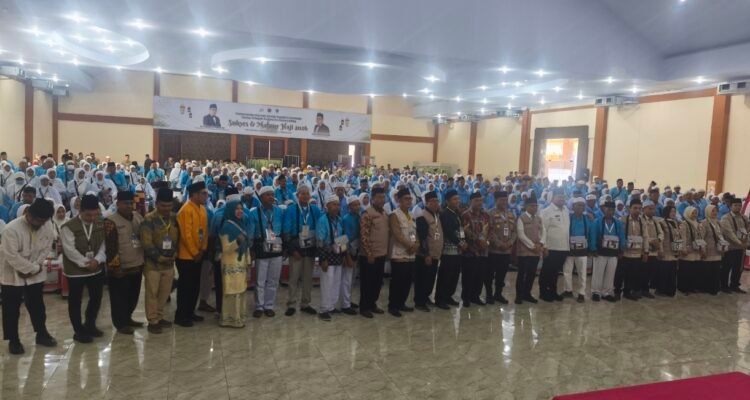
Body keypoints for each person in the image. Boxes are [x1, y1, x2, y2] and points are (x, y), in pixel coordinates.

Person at [1, 199, 58, 355]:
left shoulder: (46, 225)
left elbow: (46, 247)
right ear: (28, 214)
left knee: (37, 305)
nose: (41, 224)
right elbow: (11, 255)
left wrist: (35, 268)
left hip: (35, 272)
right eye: (39, 220)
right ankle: (13, 340)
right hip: (12, 273)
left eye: (44, 221)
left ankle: (42, 334)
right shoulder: (11, 229)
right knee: (11, 309)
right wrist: (28, 268)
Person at [61, 194, 106, 343]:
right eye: (88, 215)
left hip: (96, 267)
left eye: (95, 214)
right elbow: (69, 250)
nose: (92, 218)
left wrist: (97, 260)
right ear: (80, 211)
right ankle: (79, 330)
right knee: (75, 301)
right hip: (76, 271)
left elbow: (104, 244)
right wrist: (86, 263)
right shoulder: (68, 226)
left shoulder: (101, 223)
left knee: (96, 298)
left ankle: (90, 325)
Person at [103, 191, 145, 335]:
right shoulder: (110, 221)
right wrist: (115, 268)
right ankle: (120, 324)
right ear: (118, 204)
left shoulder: (138, 217)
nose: (128, 206)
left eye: (131, 203)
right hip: (120, 268)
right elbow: (110, 248)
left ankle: (128, 318)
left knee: (133, 296)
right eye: (125, 203)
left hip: (137, 264)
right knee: (119, 298)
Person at [139, 187, 179, 334]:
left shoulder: (174, 218)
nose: (166, 208)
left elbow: (178, 238)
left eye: (169, 206)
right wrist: (159, 257)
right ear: (156, 204)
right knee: (152, 293)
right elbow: (146, 243)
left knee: (164, 293)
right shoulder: (149, 219)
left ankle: (160, 316)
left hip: (169, 263)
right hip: (153, 265)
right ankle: (152, 321)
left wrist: (175, 253)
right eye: (163, 205)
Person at [282, 185, 321, 316]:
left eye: (307, 194)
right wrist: (292, 250)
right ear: (297, 195)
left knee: (308, 278)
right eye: (302, 194)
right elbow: (286, 231)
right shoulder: (291, 210)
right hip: (296, 248)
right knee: (293, 278)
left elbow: (320, 226)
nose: (305, 196)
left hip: (310, 248)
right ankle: (291, 304)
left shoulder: (315, 210)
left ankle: (305, 304)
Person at [175, 181, 209, 327]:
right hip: (186, 256)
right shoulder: (186, 210)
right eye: (203, 193)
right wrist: (195, 252)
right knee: (185, 287)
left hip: (198, 254)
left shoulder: (202, 209)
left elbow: (205, 231)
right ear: (194, 194)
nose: (206, 196)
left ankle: (190, 312)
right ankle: (181, 316)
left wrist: (203, 249)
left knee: (195, 286)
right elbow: (186, 235)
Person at [250, 186, 284, 318]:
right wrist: (251, 249)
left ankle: (269, 306)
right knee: (260, 279)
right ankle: (259, 306)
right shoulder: (254, 212)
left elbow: (283, 229)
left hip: (276, 246)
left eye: (272, 194)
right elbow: (251, 233)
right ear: (261, 197)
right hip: (261, 246)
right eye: (268, 195)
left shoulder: (279, 211)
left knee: (273, 279)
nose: (271, 197)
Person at [316, 194, 350, 321]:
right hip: (327, 256)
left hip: (338, 254)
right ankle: (323, 309)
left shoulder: (339, 220)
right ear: (327, 206)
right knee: (327, 283)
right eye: (333, 205)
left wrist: (344, 255)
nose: (336, 207)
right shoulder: (322, 220)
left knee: (336, 282)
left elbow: (342, 238)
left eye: (338, 205)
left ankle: (331, 306)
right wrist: (323, 259)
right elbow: (320, 242)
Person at [218, 198, 250, 327]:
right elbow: (225, 248)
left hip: (241, 262)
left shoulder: (241, 224)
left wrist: (248, 260)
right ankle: (229, 319)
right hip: (230, 262)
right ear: (231, 210)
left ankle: (239, 317)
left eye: (241, 208)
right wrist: (237, 241)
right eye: (236, 209)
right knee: (231, 290)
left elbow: (246, 245)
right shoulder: (226, 226)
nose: (240, 211)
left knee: (240, 289)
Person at [358, 187, 390, 318]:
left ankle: (372, 304)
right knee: (367, 282)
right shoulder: (367, 213)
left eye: (383, 197)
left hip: (381, 253)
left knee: (377, 282)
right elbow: (364, 235)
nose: (381, 200)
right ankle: (364, 307)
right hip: (369, 255)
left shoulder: (384, 213)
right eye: (379, 197)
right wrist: (369, 253)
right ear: (373, 199)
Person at [388, 188, 419, 317]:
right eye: (406, 199)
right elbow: (397, 234)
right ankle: (393, 306)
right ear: (399, 200)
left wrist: (415, 244)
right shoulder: (394, 215)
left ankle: (401, 303)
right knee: (397, 281)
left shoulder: (411, 215)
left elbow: (413, 233)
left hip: (410, 254)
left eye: (410, 199)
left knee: (407, 281)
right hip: (399, 254)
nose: (409, 201)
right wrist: (411, 245)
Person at [435, 190, 465, 309]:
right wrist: (460, 243)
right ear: (448, 201)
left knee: (454, 275)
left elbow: (461, 229)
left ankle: (448, 296)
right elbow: (448, 232)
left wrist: (463, 241)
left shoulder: (456, 213)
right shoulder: (445, 214)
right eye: (454, 199)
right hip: (448, 250)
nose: (457, 201)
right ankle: (440, 299)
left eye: (458, 199)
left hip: (458, 250)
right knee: (446, 275)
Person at [414, 191, 443, 311]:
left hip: (435, 254)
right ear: (426, 202)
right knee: (422, 279)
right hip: (425, 255)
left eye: (437, 201)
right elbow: (422, 237)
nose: (436, 203)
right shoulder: (422, 216)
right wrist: (426, 254)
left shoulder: (436, 215)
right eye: (432, 201)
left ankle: (425, 298)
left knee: (430, 279)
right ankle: (419, 302)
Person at [539, 190, 569, 302]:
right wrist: (544, 247)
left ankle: (553, 291)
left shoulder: (566, 210)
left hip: (563, 247)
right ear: (552, 198)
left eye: (563, 197)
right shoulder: (546, 211)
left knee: (555, 272)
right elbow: (543, 230)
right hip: (551, 248)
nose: (561, 199)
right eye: (559, 196)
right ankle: (543, 292)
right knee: (546, 271)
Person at [590, 201, 624, 302]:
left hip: (613, 252)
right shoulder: (597, 222)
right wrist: (593, 249)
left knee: (611, 273)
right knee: (598, 272)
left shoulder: (617, 223)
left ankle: (607, 292)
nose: (610, 212)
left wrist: (621, 249)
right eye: (608, 209)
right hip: (600, 252)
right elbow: (593, 235)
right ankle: (596, 292)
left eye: (613, 210)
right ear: (604, 209)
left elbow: (621, 236)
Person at [617, 199, 650, 301]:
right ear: (629, 208)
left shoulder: (642, 221)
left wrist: (646, 251)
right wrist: (619, 250)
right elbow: (619, 235)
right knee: (620, 273)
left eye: (639, 208)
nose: (637, 210)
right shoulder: (622, 219)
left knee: (633, 274)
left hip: (637, 253)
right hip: (625, 252)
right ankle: (617, 291)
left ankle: (628, 292)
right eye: (635, 208)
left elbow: (645, 237)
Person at [562, 198, 594, 303]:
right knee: (567, 271)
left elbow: (590, 234)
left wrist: (590, 249)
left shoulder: (587, 219)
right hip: (569, 249)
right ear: (573, 206)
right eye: (578, 205)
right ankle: (568, 290)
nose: (580, 207)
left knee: (582, 273)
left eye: (582, 205)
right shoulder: (568, 218)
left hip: (582, 250)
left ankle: (581, 293)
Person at [486, 191, 515, 305]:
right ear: (496, 200)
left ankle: (498, 294)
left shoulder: (511, 214)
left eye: (505, 200)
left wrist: (510, 242)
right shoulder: (490, 213)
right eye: (501, 200)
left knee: (502, 274)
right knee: (489, 274)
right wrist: (499, 244)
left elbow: (514, 232)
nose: (504, 202)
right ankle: (489, 295)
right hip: (493, 250)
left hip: (506, 250)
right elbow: (489, 231)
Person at [461, 191, 490, 306]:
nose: (479, 202)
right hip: (470, 251)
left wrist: (486, 242)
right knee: (468, 276)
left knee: (480, 276)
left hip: (483, 251)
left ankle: (476, 297)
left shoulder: (486, 215)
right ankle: (466, 298)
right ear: (470, 202)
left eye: (480, 200)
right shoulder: (465, 215)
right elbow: (464, 232)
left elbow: (490, 231)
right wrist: (478, 241)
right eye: (476, 200)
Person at [515, 195, 545, 304]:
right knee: (522, 274)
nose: (534, 208)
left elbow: (543, 232)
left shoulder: (539, 218)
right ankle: (519, 296)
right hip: (524, 252)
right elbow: (521, 235)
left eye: (536, 206)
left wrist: (541, 244)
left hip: (536, 251)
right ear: (526, 206)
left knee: (532, 274)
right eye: (532, 206)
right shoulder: (521, 218)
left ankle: (527, 294)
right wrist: (533, 246)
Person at [720, 198, 749, 293]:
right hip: (730, 247)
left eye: (739, 205)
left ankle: (734, 285)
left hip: (741, 248)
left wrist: (747, 243)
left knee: (738, 268)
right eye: (735, 205)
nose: (738, 207)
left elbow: (747, 231)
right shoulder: (725, 218)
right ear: (730, 206)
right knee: (726, 267)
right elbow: (729, 233)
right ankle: (724, 286)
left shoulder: (744, 217)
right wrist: (740, 243)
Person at [657, 206, 682, 297]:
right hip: (665, 250)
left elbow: (678, 236)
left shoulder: (675, 222)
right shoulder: (661, 222)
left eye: (674, 211)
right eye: (671, 211)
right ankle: (662, 290)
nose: (673, 213)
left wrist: (679, 248)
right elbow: (660, 238)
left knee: (672, 272)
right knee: (664, 272)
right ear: (666, 212)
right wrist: (660, 250)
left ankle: (670, 291)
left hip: (674, 250)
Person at [702, 204, 727, 295]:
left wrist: (723, 247)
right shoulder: (704, 223)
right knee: (708, 270)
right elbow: (701, 238)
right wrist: (703, 250)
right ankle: (707, 288)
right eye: (713, 211)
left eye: (716, 211)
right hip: (709, 250)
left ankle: (715, 288)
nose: (715, 213)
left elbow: (721, 235)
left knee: (716, 270)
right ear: (708, 211)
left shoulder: (718, 222)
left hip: (718, 250)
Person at [679, 206, 704, 295]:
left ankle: (692, 287)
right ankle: (684, 288)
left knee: (694, 270)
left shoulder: (698, 223)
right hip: (688, 250)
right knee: (686, 270)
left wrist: (702, 248)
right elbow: (683, 237)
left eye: (696, 213)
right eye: (692, 213)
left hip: (696, 250)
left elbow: (701, 236)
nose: (694, 215)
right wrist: (684, 248)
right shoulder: (684, 224)